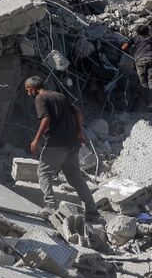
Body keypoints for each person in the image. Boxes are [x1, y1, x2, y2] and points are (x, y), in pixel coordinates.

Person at [24, 76, 100, 221]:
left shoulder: (40, 98)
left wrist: (36, 139)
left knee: (44, 172)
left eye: (28, 91)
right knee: (75, 178)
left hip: (56, 143)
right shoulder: (59, 96)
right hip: (72, 142)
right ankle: (92, 211)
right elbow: (77, 112)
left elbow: (46, 119)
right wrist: (80, 132)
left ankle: (50, 206)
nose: (28, 94)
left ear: (33, 89)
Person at [122, 24, 152, 109]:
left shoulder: (134, 38)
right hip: (151, 60)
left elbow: (124, 47)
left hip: (139, 61)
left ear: (137, 32)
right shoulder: (150, 39)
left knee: (143, 82)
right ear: (147, 32)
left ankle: (143, 103)